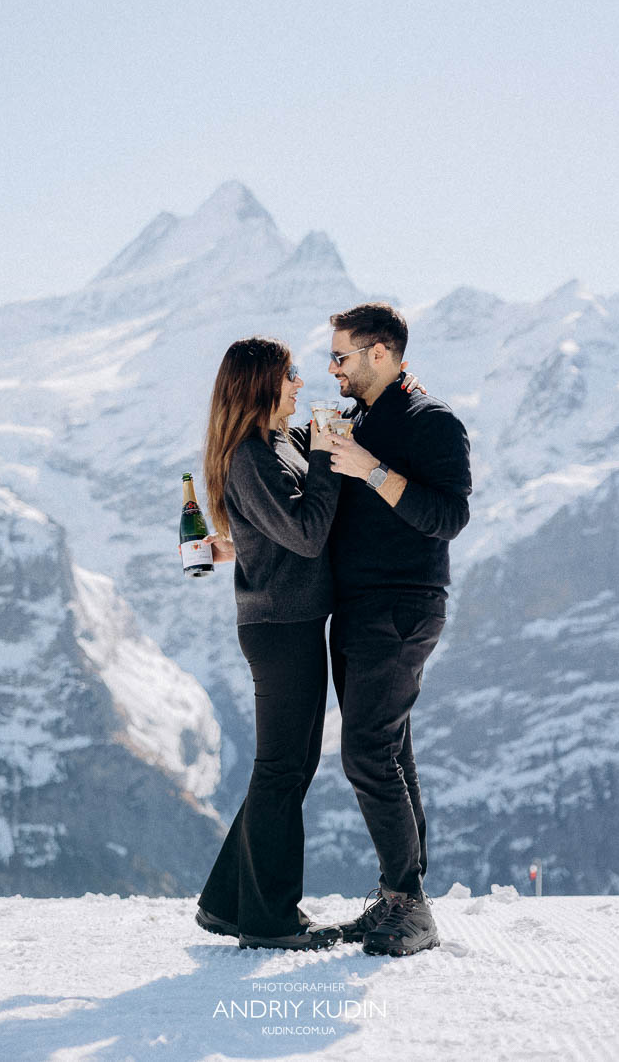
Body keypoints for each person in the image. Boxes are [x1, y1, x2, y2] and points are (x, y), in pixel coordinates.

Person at [324, 302, 472, 957]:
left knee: (365, 753)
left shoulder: (431, 421)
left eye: (341, 356)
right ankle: (397, 897)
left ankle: (411, 911)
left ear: (379, 353)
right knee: (391, 753)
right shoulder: (356, 420)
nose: (333, 368)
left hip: (402, 608)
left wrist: (370, 471)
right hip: (353, 609)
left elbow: (449, 517)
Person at [194, 336, 343, 951]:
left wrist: (322, 439)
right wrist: (330, 459)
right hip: (279, 630)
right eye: (290, 376)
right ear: (260, 385)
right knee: (282, 770)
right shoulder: (248, 460)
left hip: (295, 622)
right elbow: (306, 535)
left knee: (290, 767)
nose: (300, 384)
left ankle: (227, 902)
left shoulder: (278, 445)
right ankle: (270, 919)